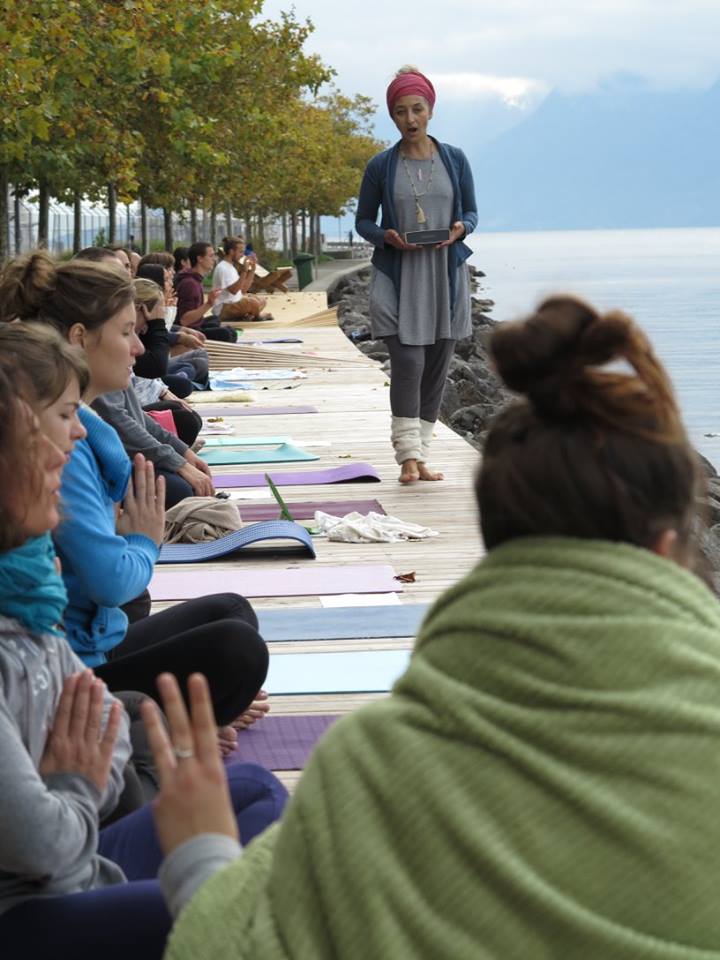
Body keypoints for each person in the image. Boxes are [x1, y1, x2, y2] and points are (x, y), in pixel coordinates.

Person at [142, 296, 720, 960]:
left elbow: (227, 947)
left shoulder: (370, 766)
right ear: (669, 546)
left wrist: (198, 854)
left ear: (496, 533)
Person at [0, 342, 287, 959]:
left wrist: (84, 771)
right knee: (252, 901)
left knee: (255, 789)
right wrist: (76, 778)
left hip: (77, 863)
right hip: (30, 907)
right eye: (56, 427)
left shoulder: (28, 603)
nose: (69, 448)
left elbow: (99, 729)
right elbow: (45, 851)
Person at [0, 252, 270, 749]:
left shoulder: (82, 425)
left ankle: (184, 719)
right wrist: (144, 542)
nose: (139, 346)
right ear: (80, 338)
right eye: (127, 331)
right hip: (79, 663)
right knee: (237, 649)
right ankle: (178, 726)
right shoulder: (64, 448)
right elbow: (107, 583)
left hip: (88, 647)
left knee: (231, 611)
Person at [356, 65, 477, 484]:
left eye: (417, 109)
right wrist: (387, 237)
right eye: (401, 111)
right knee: (408, 361)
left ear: (430, 111)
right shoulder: (381, 166)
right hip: (398, 274)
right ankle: (406, 455)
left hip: (445, 275)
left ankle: (421, 456)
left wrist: (461, 228)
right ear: (392, 116)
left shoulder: (455, 160)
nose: (410, 119)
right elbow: (363, 222)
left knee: (437, 366)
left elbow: (472, 214)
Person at [175, 241, 235, 342]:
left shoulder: (195, 279)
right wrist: (209, 304)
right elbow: (184, 320)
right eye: (211, 256)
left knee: (215, 320)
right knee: (227, 333)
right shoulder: (190, 283)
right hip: (189, 331)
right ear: (200, 259)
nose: (214, 259)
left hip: (195, 325)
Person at [211, 236, 271, 322]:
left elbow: (243, 290)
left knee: (262, 300)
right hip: (223, 308)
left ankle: (246, 316)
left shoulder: (231, 267)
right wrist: (244, 271)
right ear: (231, 252)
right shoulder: (222, 267)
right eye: (240, 252)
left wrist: (252, 270)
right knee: (252, 302)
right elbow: (234, 290)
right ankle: (257, 317)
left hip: (234, 303)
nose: (242, 255)